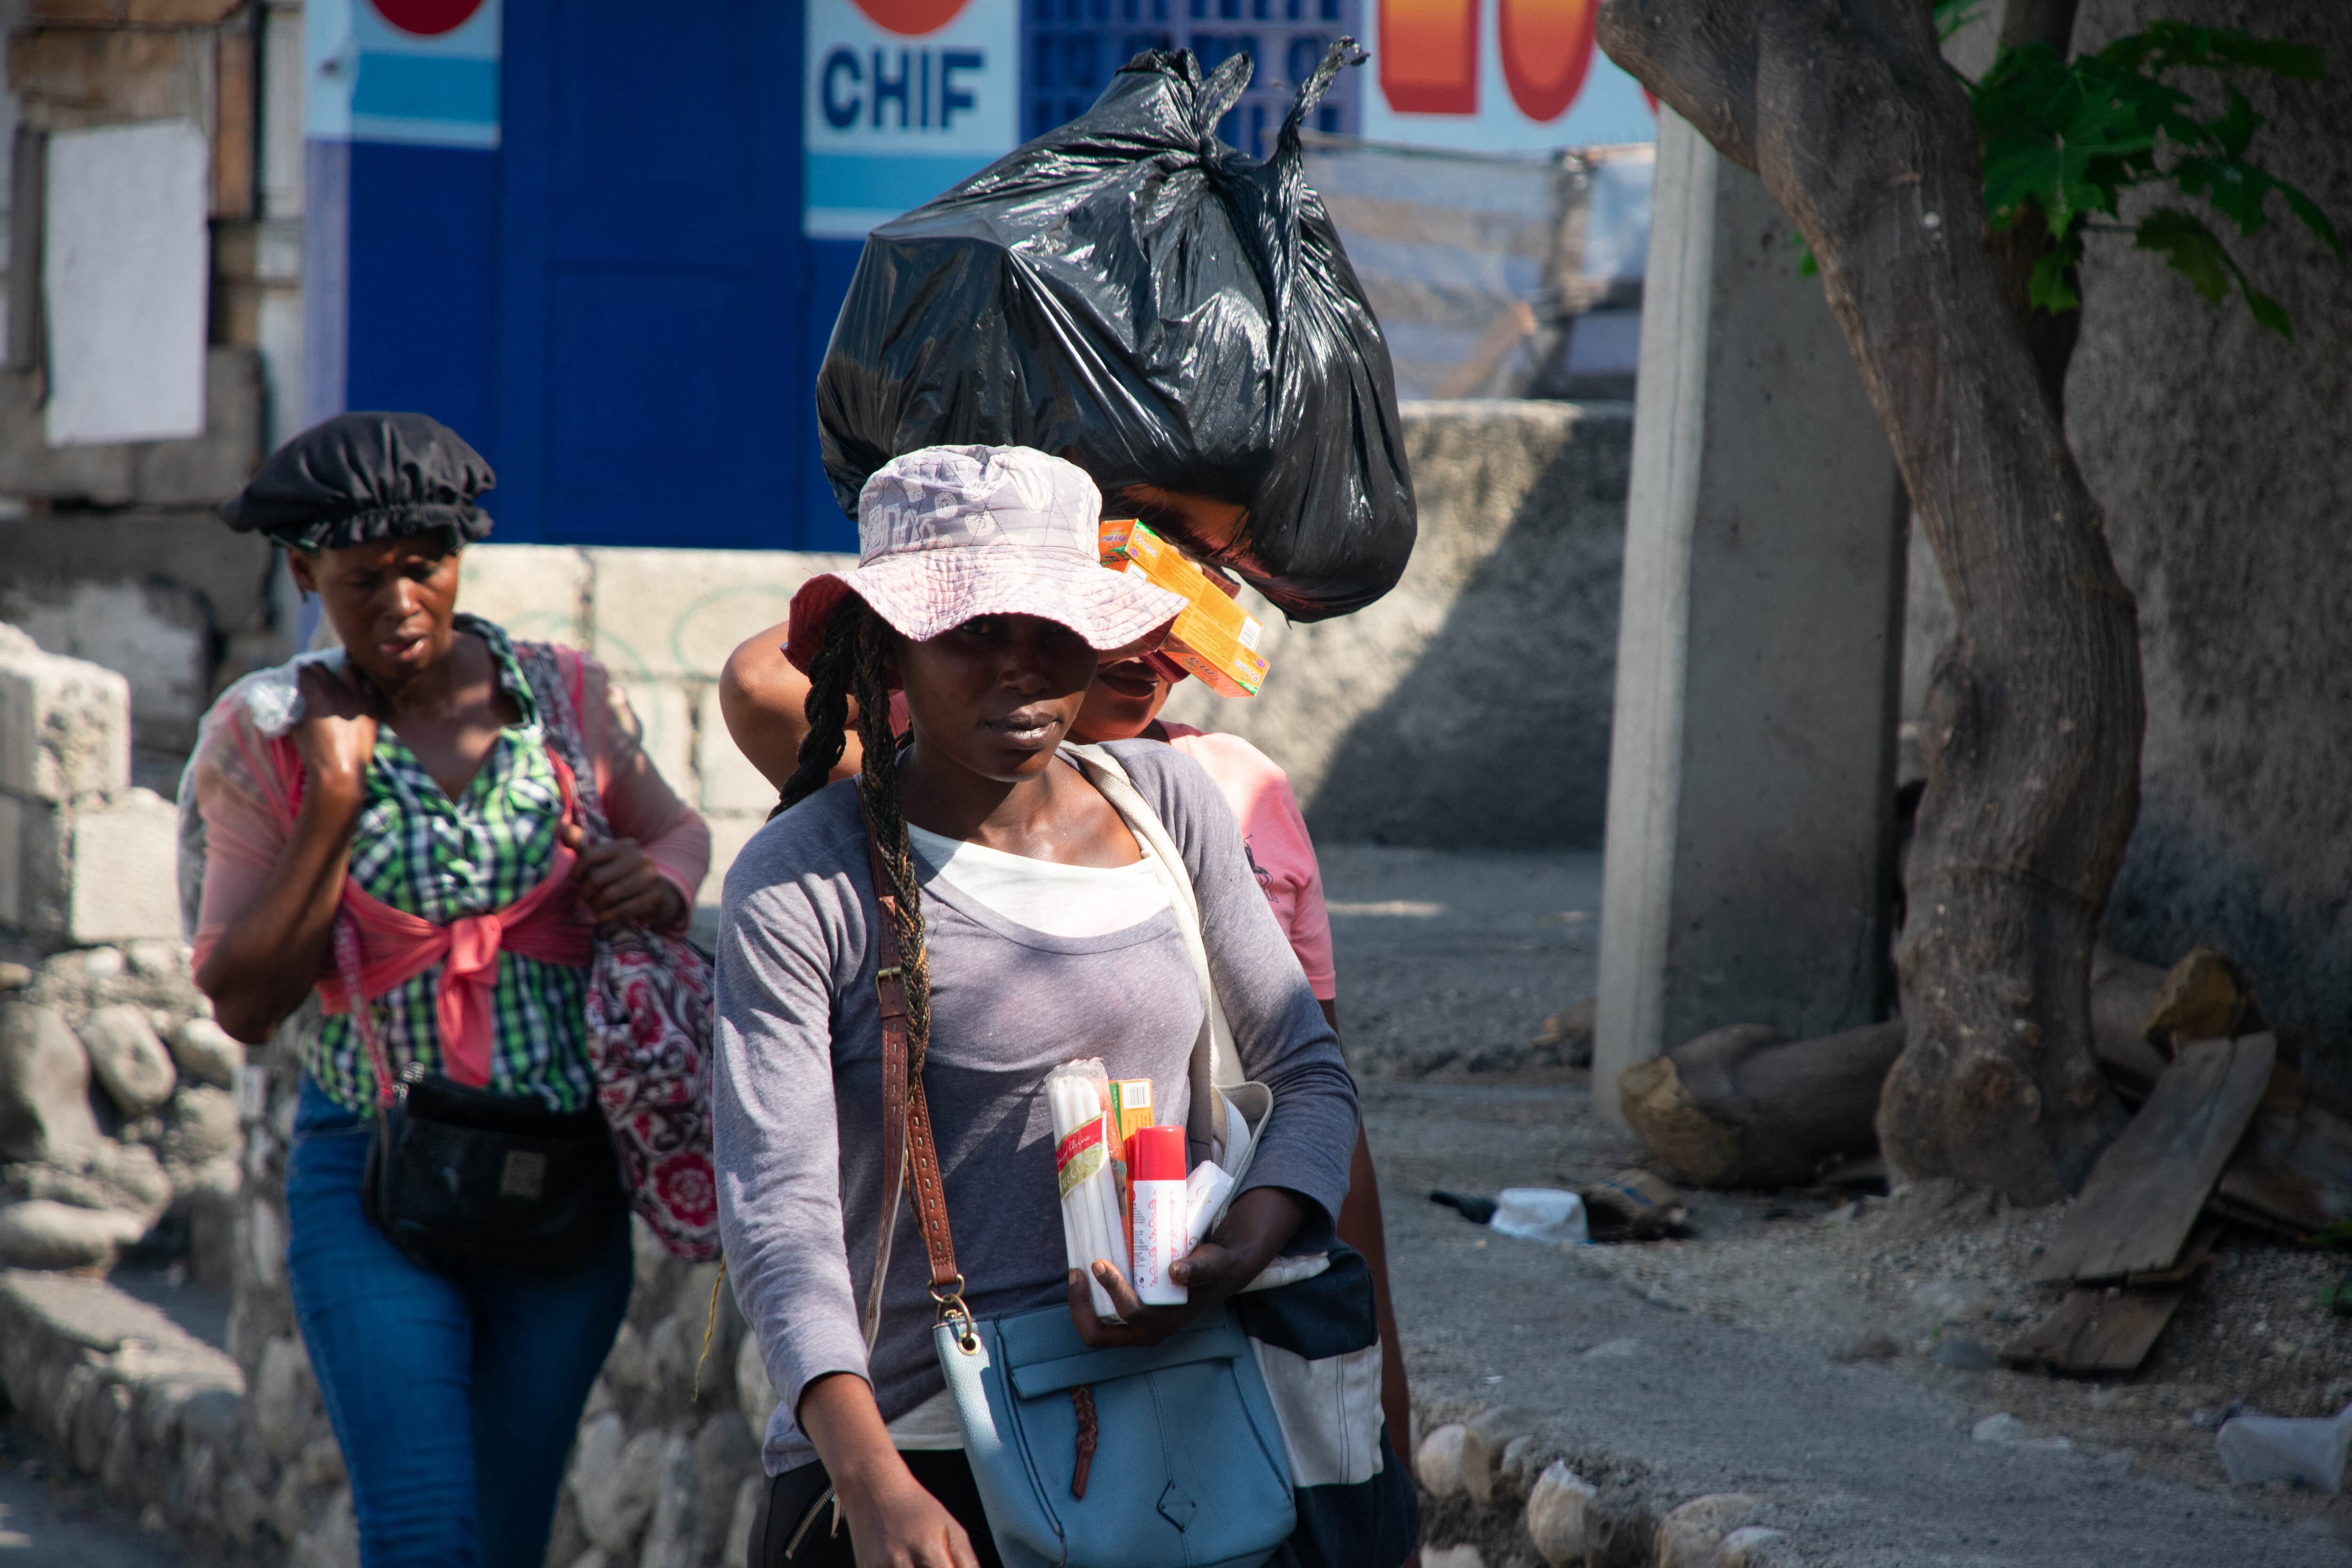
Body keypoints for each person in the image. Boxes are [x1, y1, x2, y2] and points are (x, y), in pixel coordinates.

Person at [716, 446, 1359, 1568]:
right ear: (889, 648)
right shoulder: (804, 880)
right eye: (971, 633)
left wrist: (1238, 1247)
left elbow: (1308, 1072)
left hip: (1177, 1429)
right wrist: (873, 1487)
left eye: (1053, 631)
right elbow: (781, 1216)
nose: (1019, 672)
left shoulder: (1171, 806)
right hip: (919, 1450)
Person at [190, 413, 711, 1567]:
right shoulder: (268, 737)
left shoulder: (562, 697)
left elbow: (676, 831)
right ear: (301, 573)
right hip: (375, 1181)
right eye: (362, 578)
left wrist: (657, 882)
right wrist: (333, 799)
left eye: (424, 567)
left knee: (510, 1532)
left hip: (564, 1184)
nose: (400, 602)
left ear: (459, 559)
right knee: (425, 1530)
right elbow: (242, 999)